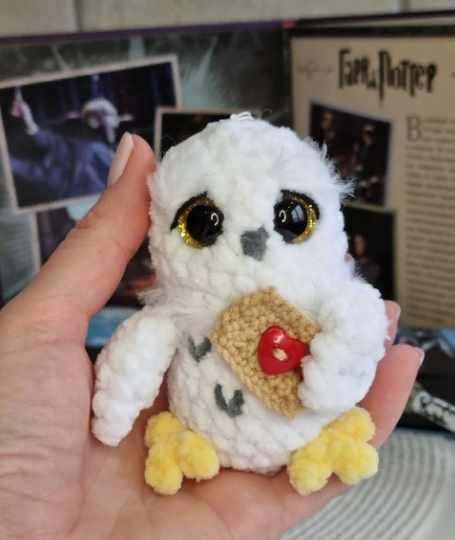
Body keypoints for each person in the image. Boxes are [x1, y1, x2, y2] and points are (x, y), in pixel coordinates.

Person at [0, 134, 423, 540]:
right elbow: (141, 348)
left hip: (308, 437)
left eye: (291, 218)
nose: (253, 241)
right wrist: (114, 410)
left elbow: (358, 322)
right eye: (203, 223)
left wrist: (338, 371)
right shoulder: (179, 312)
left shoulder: (330, 298)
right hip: (194, 446)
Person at [9, 91, 116, 206]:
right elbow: (51, 141)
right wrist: (29, 121)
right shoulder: (80, 142)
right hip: (55, 179)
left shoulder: (96, 150)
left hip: (64, 188)